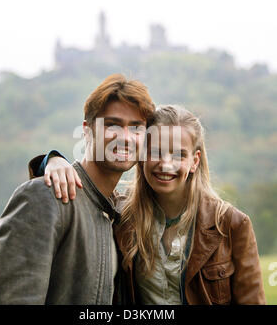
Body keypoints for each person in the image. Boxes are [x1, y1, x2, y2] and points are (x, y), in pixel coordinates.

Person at [33, 105, 266, 305]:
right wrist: (53, 160)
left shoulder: (231, 224)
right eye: (156, 152)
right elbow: (81, 194)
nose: (165, 165)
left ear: (194, 161)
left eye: (178, 155)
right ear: (141, 154)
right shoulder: (120, 215)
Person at [0, 74, 155, 305]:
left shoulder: (120, 215)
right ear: (87, 130)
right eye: (112, 124)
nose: (125, 137)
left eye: (136, 128)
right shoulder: (44, 197)